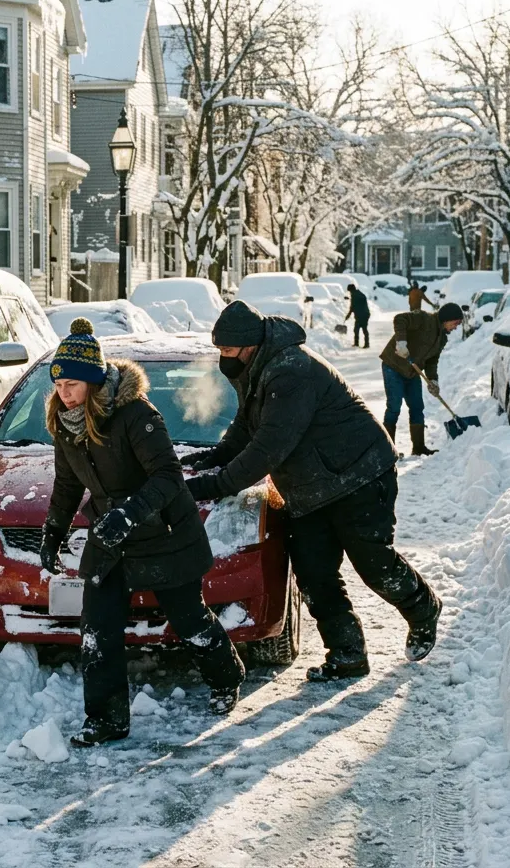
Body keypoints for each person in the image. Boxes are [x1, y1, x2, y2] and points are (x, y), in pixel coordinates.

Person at [182, 300, 442, 682]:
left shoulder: (292, 371)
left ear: (250, 344)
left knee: (373, 563)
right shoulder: (255, 367)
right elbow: (247, 425)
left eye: (228, 350)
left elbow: (268, 447)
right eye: (219, 350)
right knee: (314, 572)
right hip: (309, 487)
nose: (224, 358)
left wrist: (212, 485)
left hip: (359, 474)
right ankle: (348, 654)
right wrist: (214, 456)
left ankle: (423, 609)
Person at [40, 318, 245, 746]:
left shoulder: (136, 414)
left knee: (189, 621)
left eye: (73, 385)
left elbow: (168, 477)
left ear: (94, 383)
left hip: (163, 533)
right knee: (97, 629)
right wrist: (54, 531)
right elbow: (66, 483)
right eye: (59, 384)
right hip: (110, 540)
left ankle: (227, 675)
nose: (64, 393)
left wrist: (129, 514)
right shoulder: (65, 421)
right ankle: (106, 720)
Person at [379, 303, 464, 456]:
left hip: (412, 372)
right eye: (456, 323)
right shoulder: (423, 318)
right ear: (447, 318)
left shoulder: (442, 338)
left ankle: (418, 448)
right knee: (394, 407)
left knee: (417, 407)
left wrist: (433, 380)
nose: (456, 327)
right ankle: (387, 451)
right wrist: (401, 342)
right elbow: (400, 319)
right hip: (394, 366)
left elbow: (432, 361)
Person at [345, 284, 371, 348]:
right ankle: (366, 344)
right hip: (365, 314)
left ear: (351, 290)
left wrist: (347, 316)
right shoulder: (360, 294)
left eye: (350, 291)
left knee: (357, 329)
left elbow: (352, 307)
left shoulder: (354, 296)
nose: (349, 292)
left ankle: (358, 344)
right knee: (364, 329)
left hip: (361, 315)